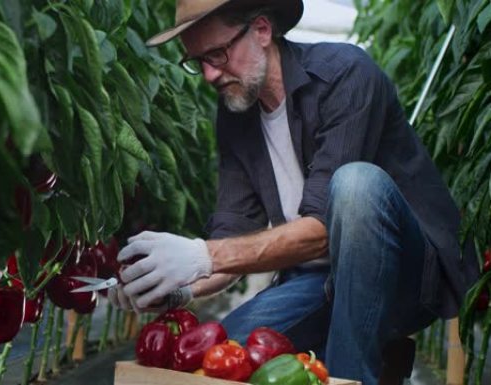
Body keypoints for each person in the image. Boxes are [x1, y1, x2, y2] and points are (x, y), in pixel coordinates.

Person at [108, 1, 479, 384]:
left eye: (217, 54)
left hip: (403, 276)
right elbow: (232, 238)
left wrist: (202, 255)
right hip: (317, 281)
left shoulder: (345, 74)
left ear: (263, 31)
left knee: (355, 186)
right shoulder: (237, 115)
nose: (208, 74)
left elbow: (320, 231)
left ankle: (355, 373)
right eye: (197, 60)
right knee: (222, 357)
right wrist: (177, 288)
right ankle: (383, 356)